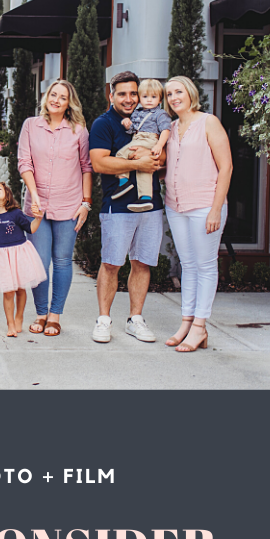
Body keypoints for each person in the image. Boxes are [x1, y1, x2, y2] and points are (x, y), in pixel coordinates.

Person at [88, 71, 165, 345]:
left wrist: (154, 157)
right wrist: (138, 164)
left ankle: (135, 319)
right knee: (111, 263)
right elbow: (99, 163)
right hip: (117, 206)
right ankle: (104, 319)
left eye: (134, 93)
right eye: (122, 93)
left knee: (142, 262)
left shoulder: (152, 116)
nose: (129, 99)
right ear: (111, 95)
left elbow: (164, 155)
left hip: (150, 205)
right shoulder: (103, 124)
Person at [17, 78, 92, 337]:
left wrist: (85, 203)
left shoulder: (79, 130)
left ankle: (55, 315)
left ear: (68, 103)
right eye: (53, 94)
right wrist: (34, 195)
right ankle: (40, 312)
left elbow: (86, 167)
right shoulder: (30, 125)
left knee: (61, 261)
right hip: (36, 207)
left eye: (62, 97)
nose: (56, 100)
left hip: (68, 206)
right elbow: (24, 162)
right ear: (46, 97)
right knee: (39, 262)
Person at [163, 75, 232, 353]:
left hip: (205, 205)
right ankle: (187, 321)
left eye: (178, 91)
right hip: (176, 205)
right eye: (169, 94)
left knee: (205, 266)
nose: (173, 97)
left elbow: (225, 168)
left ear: (190, 93)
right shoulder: (171, 127)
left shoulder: (209, 122)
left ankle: (200, 327)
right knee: (188, 265)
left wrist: (216, 208)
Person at [0, 181, 46, 338]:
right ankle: (10, 323)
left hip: (19, 254)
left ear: (7, 197)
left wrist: (38, 218)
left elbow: (30, 228)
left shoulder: (16, 214)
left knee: (20, 289)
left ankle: (19, 316)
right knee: (8, 292)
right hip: (2, 258)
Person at [113, 78, 172, 212]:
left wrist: (160, 145)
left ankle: (123, 181)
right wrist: (128, 125)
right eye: (145, 96)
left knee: (121, 154)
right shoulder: (137, 112)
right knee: (144, 168)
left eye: (153, 97)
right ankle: (145, 197)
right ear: (140, 99)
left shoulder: (160, 113)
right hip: (137, 138)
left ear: (160, 100)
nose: (149, 100)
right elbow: (133, 129)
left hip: (149, 139)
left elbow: (165, 130)